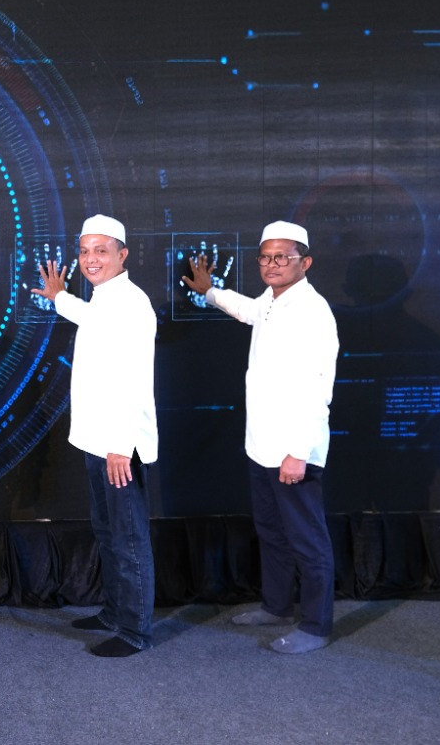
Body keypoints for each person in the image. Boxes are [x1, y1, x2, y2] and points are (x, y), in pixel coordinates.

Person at [183, 221, 338, 653]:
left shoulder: (313, 311)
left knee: (307, 539)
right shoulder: (272, 300)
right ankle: (276, 606)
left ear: (305, 262)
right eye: (266, 257)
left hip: (293, 450)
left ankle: (316, 626)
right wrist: (210, 292)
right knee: (271, 531)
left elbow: (318, 389)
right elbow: (248, 310)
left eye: (282, 257)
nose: (272, 264)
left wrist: (298, 452)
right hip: (262, 446)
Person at [31, 215, 159, 657]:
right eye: (84, 251)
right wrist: (60, 297)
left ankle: (135, 632)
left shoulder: (132, 303)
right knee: (107, 532)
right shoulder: (104, 299)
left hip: (118, 447)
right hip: (96, 441)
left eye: (100, 251)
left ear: (122, 255)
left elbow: (134, 379)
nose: (90, 259)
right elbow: (90, 318)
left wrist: (120, 446)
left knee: (128, 539)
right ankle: (115, 612)